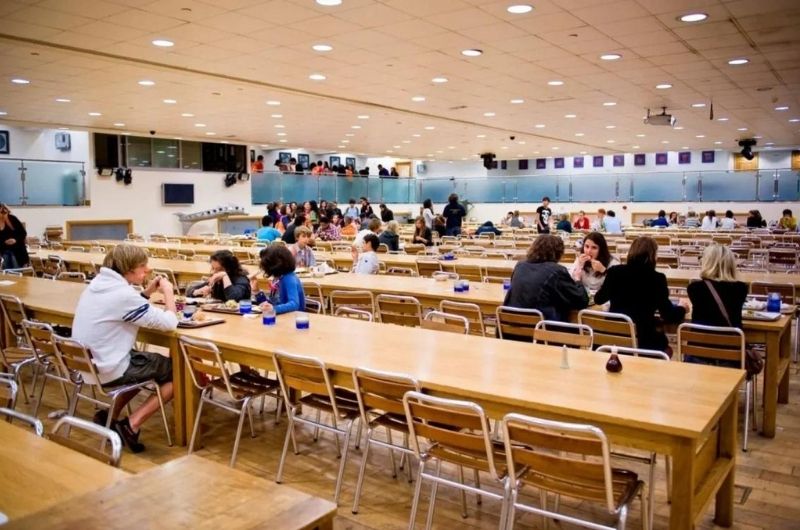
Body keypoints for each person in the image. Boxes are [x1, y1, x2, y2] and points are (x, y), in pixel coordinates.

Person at [72, 244, 178, 452]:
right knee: (178, 372)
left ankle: (109, 415)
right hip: (109, 367)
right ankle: (132, 425)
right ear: (128, 269)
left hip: (88, 364)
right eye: (142, 265)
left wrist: (147, 292)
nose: (147, 269)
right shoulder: (123, 295)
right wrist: (168, 293)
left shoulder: (97, 284)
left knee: (145, 363)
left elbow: (126, 306)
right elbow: (169, 323)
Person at [595, 237, 687, 353]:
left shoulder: (614, 271)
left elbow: (598, 299)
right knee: (666, 347)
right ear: (653, 256)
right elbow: (668, 315)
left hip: (614, 339)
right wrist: (682, 308)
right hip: (644, 343)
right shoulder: (657, 279)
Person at [502, 235, 588, 324]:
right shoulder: (556, 271)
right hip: (542, 327)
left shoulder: (520, 266)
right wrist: (577, 279)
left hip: (510, 324)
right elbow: (581, 301)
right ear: (558, 253)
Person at [254, 246, 305, 314]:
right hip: (281, 316)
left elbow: (294, 304)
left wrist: (273, 309)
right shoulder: (277, 278)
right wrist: (257, 292)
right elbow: (272, 304)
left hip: (293, 317)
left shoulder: (289, 279)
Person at [0, 203, 29, 269]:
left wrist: (15, 240)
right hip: (4, 253)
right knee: (7, 273)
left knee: (17, 272)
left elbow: (23, 233)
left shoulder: (12, 219)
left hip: (17, 252)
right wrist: (4, 242)